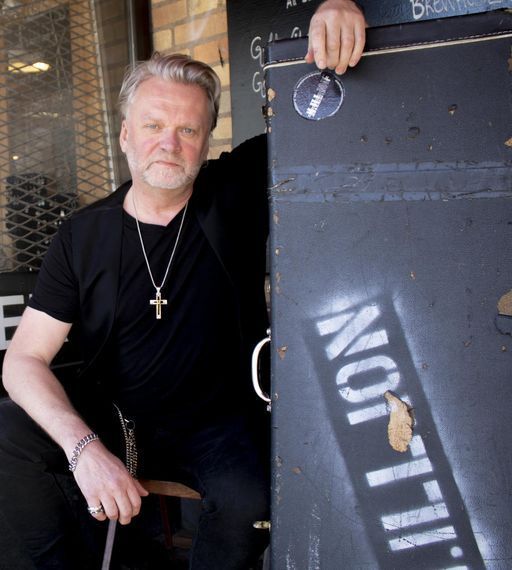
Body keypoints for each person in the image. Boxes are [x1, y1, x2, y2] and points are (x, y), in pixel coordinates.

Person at [0, 1, 366, 568]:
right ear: (125, 134)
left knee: (251, 499)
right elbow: (23, 361)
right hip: (118, 419)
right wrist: (83, 447)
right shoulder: (83, 234)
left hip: (219, 425)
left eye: (187, 129)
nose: (168, 144)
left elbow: (323, 114)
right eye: (153, 126)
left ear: (207, 139)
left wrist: (337, 10)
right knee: (8, 431)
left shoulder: (234, 189)